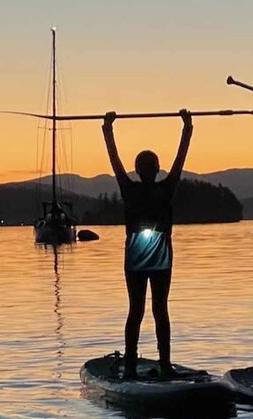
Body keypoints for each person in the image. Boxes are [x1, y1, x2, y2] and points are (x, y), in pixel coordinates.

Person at [103, 110, 193, 379]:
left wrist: (187, 128)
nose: (149, 170)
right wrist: (107, 130)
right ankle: (148, 365)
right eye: (148, 166)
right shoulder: (143, 188)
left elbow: (179, 160)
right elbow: (116, 161)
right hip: (146, 254)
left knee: (149, 309)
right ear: (149, 169)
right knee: (147, 309)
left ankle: (153, 365)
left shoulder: (154, 188)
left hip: (148, 254)